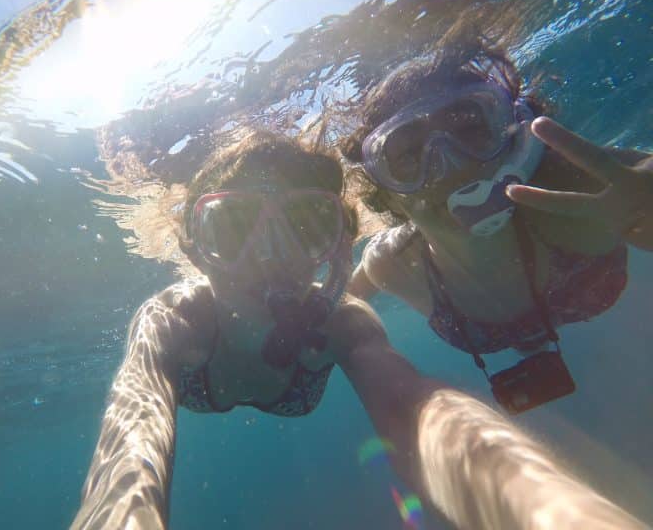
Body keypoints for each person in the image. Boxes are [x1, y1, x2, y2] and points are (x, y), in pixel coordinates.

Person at [71, 130, 647, 530]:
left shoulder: (343, 322)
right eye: (235, 225)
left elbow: (418, 412)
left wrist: (550, 511)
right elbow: (131, 441)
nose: (272, 255)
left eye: (305, 224)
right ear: (193, 249)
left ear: (339, 243)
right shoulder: (172, 319)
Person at [342, 43, 653, 414]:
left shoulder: (574, 193)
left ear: (515, 141)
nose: (455, 167)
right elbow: (342, 299)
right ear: (388, 198)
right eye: (409, 155)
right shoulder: (393, 263)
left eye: (471, 129)